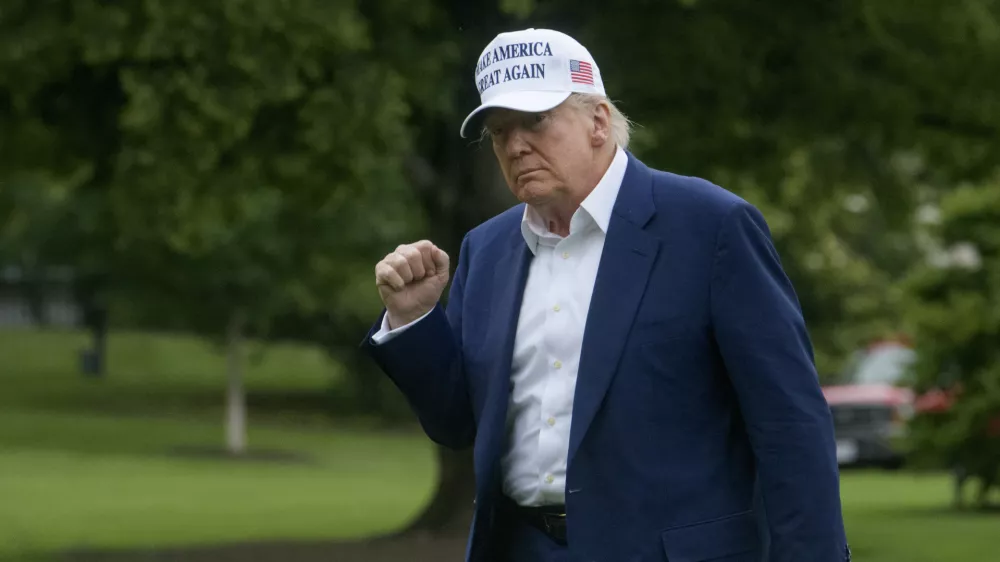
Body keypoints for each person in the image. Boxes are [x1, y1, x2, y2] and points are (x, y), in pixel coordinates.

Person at [362, 28, 850, 562]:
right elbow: (458, 424)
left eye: (535, 121)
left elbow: (789, 423)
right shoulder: (488, 249)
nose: (515, 145)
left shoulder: (711, 226)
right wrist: (412, 321)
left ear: (597, 120)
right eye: (499, 131)